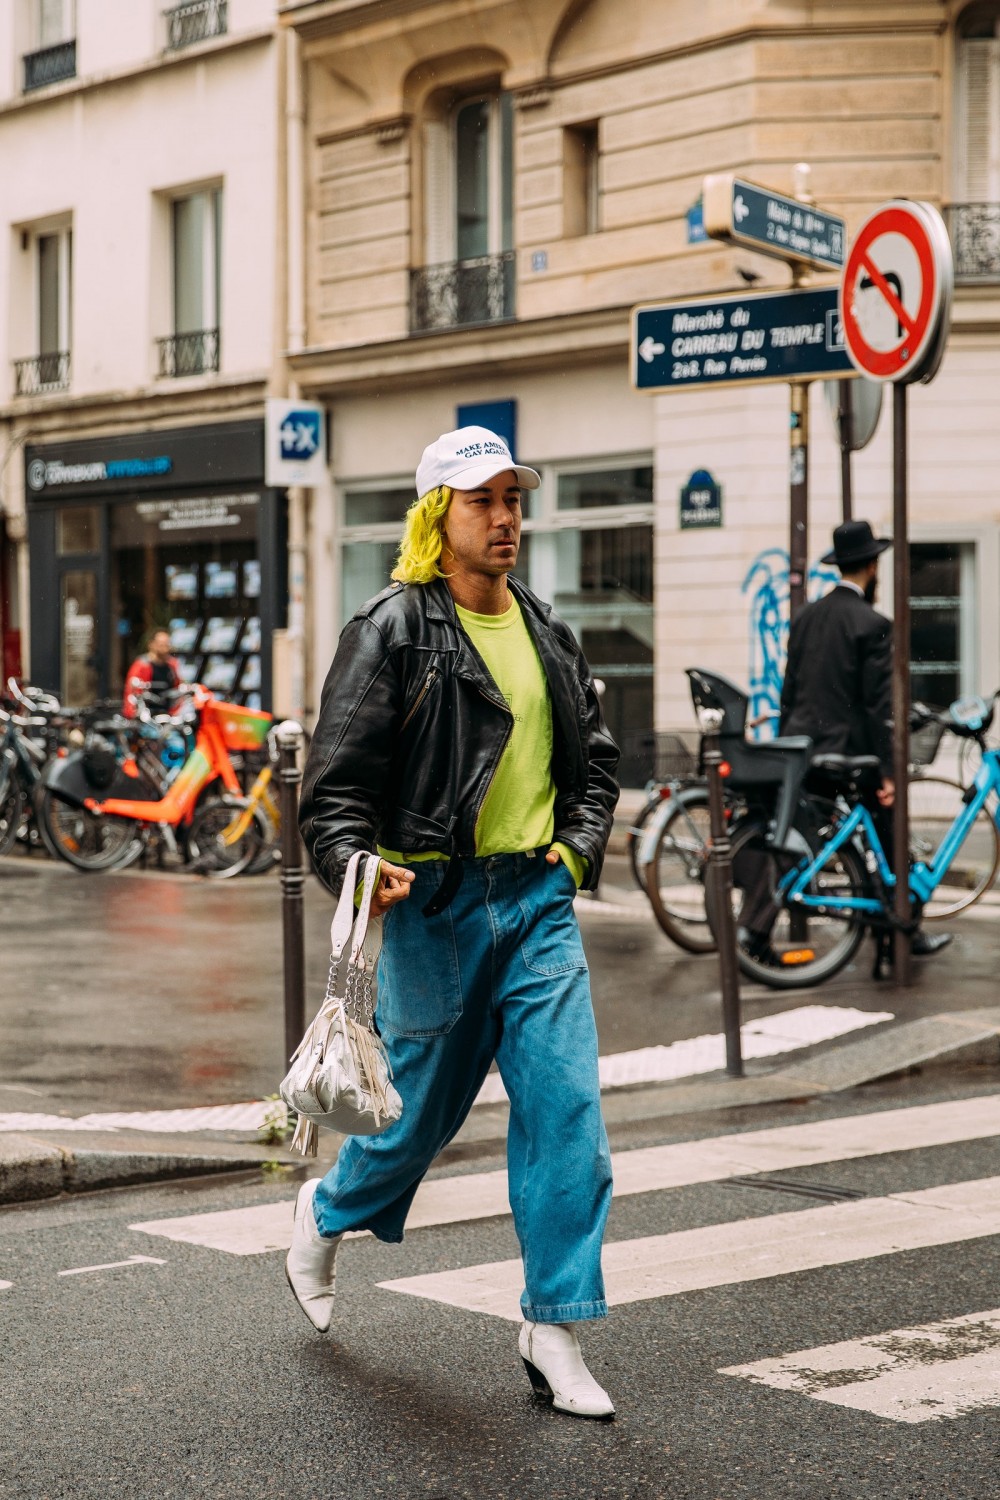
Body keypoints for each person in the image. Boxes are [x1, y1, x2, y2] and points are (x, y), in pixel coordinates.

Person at [291, 425, 620, 1419]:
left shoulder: (549, 634)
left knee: (566, 1109)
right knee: (415, 1117)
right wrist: (359, 866)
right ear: (439, 517)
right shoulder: (392, 629)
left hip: (533, 902)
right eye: (483, 501)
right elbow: (333, 791)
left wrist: (571, 854)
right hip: (432, 906)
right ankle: (326, 1209)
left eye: (513, 498)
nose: (506, 517)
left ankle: (552, 1326)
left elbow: (596, 763)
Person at [779, 517, 950, 959]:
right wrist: (887, 771)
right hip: (846, 752)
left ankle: (758, 929)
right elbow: (877, 708)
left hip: (802, 748)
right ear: (872, 568)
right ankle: (902, 932)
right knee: (889, 835)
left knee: (803, 835)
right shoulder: (871, 622)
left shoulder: (805, 618)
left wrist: (786, 745)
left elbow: (790, 691)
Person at [123, 628, 181, 718]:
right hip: (146, 716)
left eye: (167, 644)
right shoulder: (142, 665)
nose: (165, 647)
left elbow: (178, 689)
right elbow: (132, 692)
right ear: (152, 644)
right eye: (161, 644)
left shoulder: (172, 665)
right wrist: (133, 713)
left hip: (168, 715)